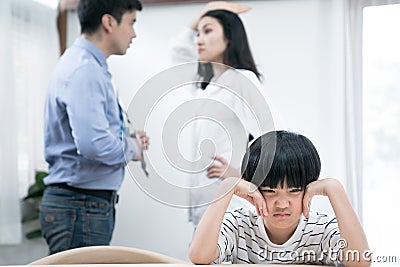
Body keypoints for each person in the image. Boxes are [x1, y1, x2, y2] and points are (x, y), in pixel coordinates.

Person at [39, 0, 148, 255]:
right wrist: (132, 148)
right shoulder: (85, 69)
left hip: (82, 206)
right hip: (81, 206)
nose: (134, 33)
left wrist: (128, 139)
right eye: (131, 23)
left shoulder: (87, 64)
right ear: (109, 22)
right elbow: (94, 145)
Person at [189, 130, 371, 266]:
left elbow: (361, 261)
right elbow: (199, 256)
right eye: (270, 191)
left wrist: (335, 189)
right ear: (253, 189)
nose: (282, 204)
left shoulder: (321, 230)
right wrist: (227, 187)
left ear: (309, 189)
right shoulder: (239, 225)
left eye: (294, 191)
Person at [170, 1, 276, 227]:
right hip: (206, 207)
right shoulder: (206, 87)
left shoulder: (242, 80)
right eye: (198, 33)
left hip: (233, 208)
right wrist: (206, 11)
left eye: (207, 31)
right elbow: (178, 51)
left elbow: (274, 137)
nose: (198, 39)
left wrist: (239, 175)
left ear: (229, 37)